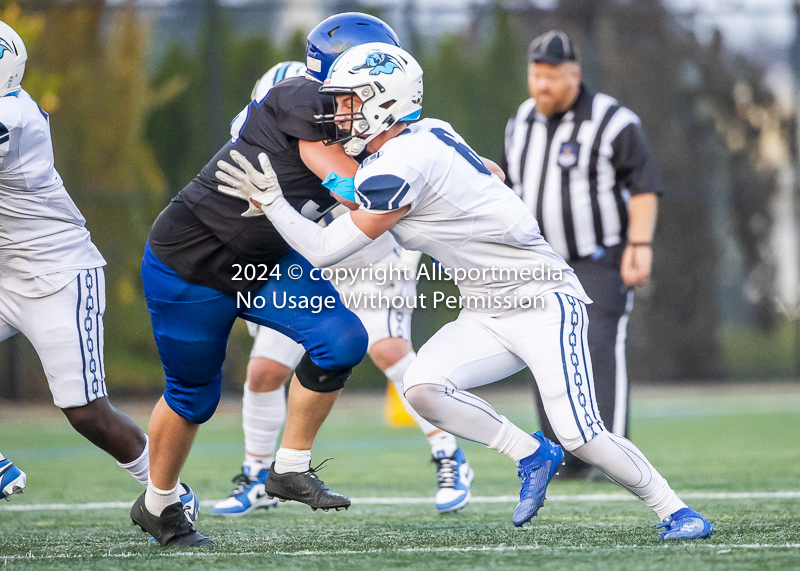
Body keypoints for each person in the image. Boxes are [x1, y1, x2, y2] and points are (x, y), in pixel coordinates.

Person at [217, 42, 713, 540]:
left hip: (542, 300)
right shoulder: (426, 133)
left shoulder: (401, 164)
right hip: (485, 309)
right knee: (422, 389)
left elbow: (325, 248)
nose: (338, 113)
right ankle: (530, 453)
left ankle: (676, 510)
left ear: (383, 102)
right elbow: (488, 171)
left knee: (580, 433)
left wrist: (275, 202)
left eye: (349, 101)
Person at [129, 13, 403, 547]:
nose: (380, 95)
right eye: (374, 80)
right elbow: (350, 186)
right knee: (193, 398)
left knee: (342, 340)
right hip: (191, 262)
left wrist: (464, 166)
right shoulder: (300, 98)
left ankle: (289, 466)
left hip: (264, 264)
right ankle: (158, 504)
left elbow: (415, 153)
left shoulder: (364, 116)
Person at [212, 61, 473, 519]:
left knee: (389, 349)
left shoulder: (362, 126)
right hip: (307, 264)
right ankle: (257, 476)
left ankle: (448, 455)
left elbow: (371, 188)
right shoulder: (261, 127)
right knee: (263, 373)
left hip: (369, 258)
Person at [0, 20, 198, 511]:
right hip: (7, 273)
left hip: (57, 276)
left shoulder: (11, 118)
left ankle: (170, 495)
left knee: (87, 413)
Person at [500, 30, 662, 479]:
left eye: (552, 76)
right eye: (537, 76)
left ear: (575, 75)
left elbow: (644, 185)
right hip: (539, 262)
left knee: (596, 344)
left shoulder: (613, 120)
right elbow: (507, 185)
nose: (543, 86)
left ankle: (613, 455)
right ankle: (564, 454)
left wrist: (640, 244)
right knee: (541, 346)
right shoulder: (522, 121)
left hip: (598, 257)